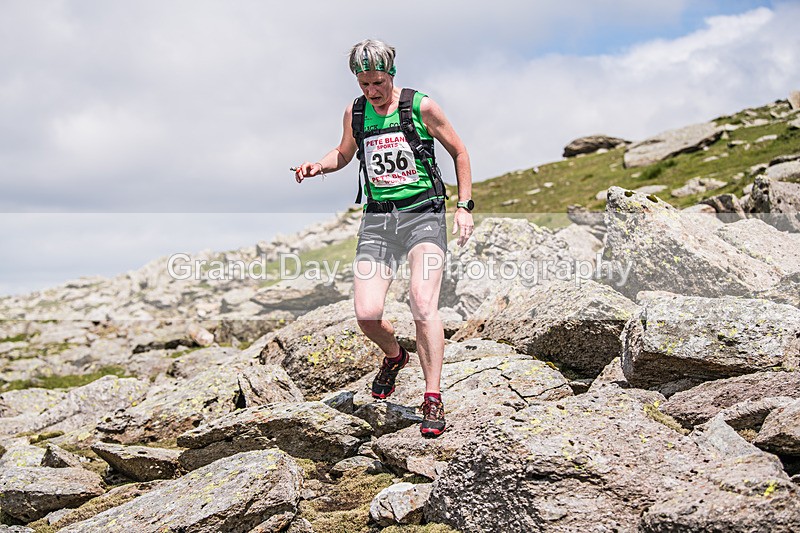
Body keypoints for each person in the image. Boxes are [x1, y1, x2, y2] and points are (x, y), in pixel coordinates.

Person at [294, 39, 474, 437]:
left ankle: (432, 396)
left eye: (377, 83)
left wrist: (464, 206)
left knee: (423, 304)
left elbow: (459, 151)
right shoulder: (355, 112)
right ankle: (395, 357)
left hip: (423, 214)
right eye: (364, 85)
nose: (371, 92)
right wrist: (317, 166)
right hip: (377, 221)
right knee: (367, 314)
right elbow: (343, 153)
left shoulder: (420, 106)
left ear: (391, 75)